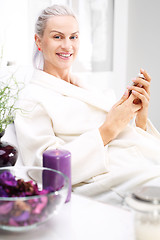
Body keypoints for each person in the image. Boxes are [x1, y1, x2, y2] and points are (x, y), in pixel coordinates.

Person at [15, 4, 160, 204]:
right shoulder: (32, 100)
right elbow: (48, 171)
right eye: (58, 37)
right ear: (38, 41)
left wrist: (139, 117)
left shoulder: (87, 88)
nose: (68, 46)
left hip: (135, 161)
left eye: (73, 37)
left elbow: (126, 136)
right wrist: (110, 128)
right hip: (101, 178)